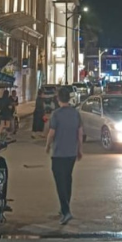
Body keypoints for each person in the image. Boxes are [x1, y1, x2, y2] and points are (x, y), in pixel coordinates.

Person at [45, 86, 83, 225]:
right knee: (67, 178)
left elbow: (52, 133)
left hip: (59, 153)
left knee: (60, 181)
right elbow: (80, 133)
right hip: (71, 153)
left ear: (58, 99)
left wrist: (47, 146)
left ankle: (66, 211)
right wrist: (80, 149)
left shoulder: (56, 114)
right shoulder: (75, 113)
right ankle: (64, 207)